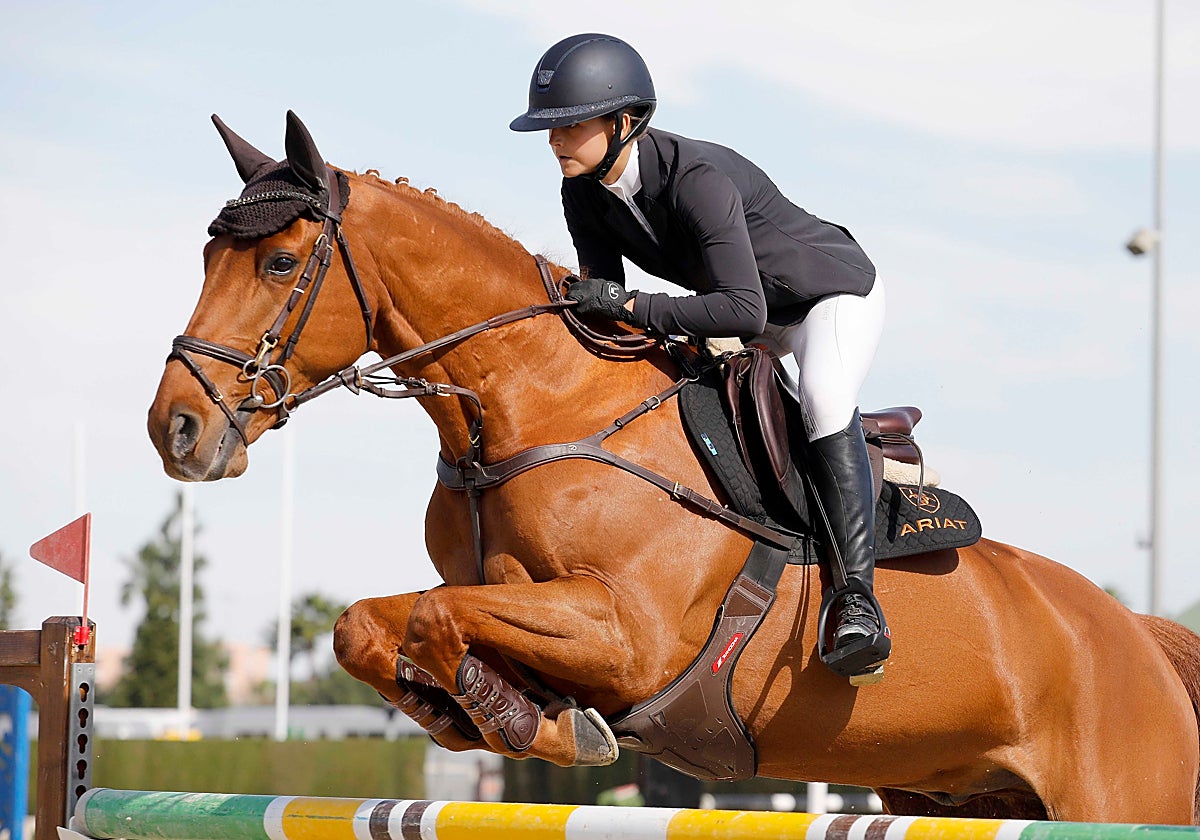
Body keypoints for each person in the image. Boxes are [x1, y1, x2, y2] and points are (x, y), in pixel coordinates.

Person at [510, 33, 889, 678]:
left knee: (825, 399)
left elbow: (741, 310)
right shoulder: (582, 192)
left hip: (824, 302)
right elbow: (608, 303)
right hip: (745, 318)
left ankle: (856, 600)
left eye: (570, 125)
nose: (555, 140)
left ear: (623, 122)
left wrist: (633, 308)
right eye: (550, 126)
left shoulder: (698, 180)